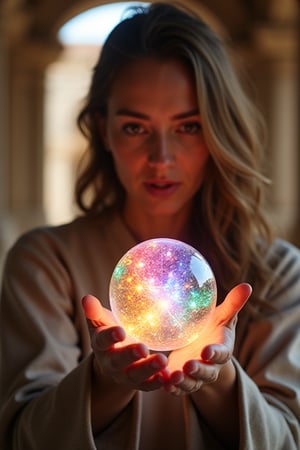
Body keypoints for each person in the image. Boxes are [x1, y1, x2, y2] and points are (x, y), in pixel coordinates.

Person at [0, 2, 299, 449]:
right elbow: (21, 438)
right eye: (136, 128)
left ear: (220, 132)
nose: (161, 158)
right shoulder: (45, 263)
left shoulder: (278, 272)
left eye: (189, 126)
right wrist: (104, 380)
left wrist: (217, 380)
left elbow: (289, 439)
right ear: (103, 130)